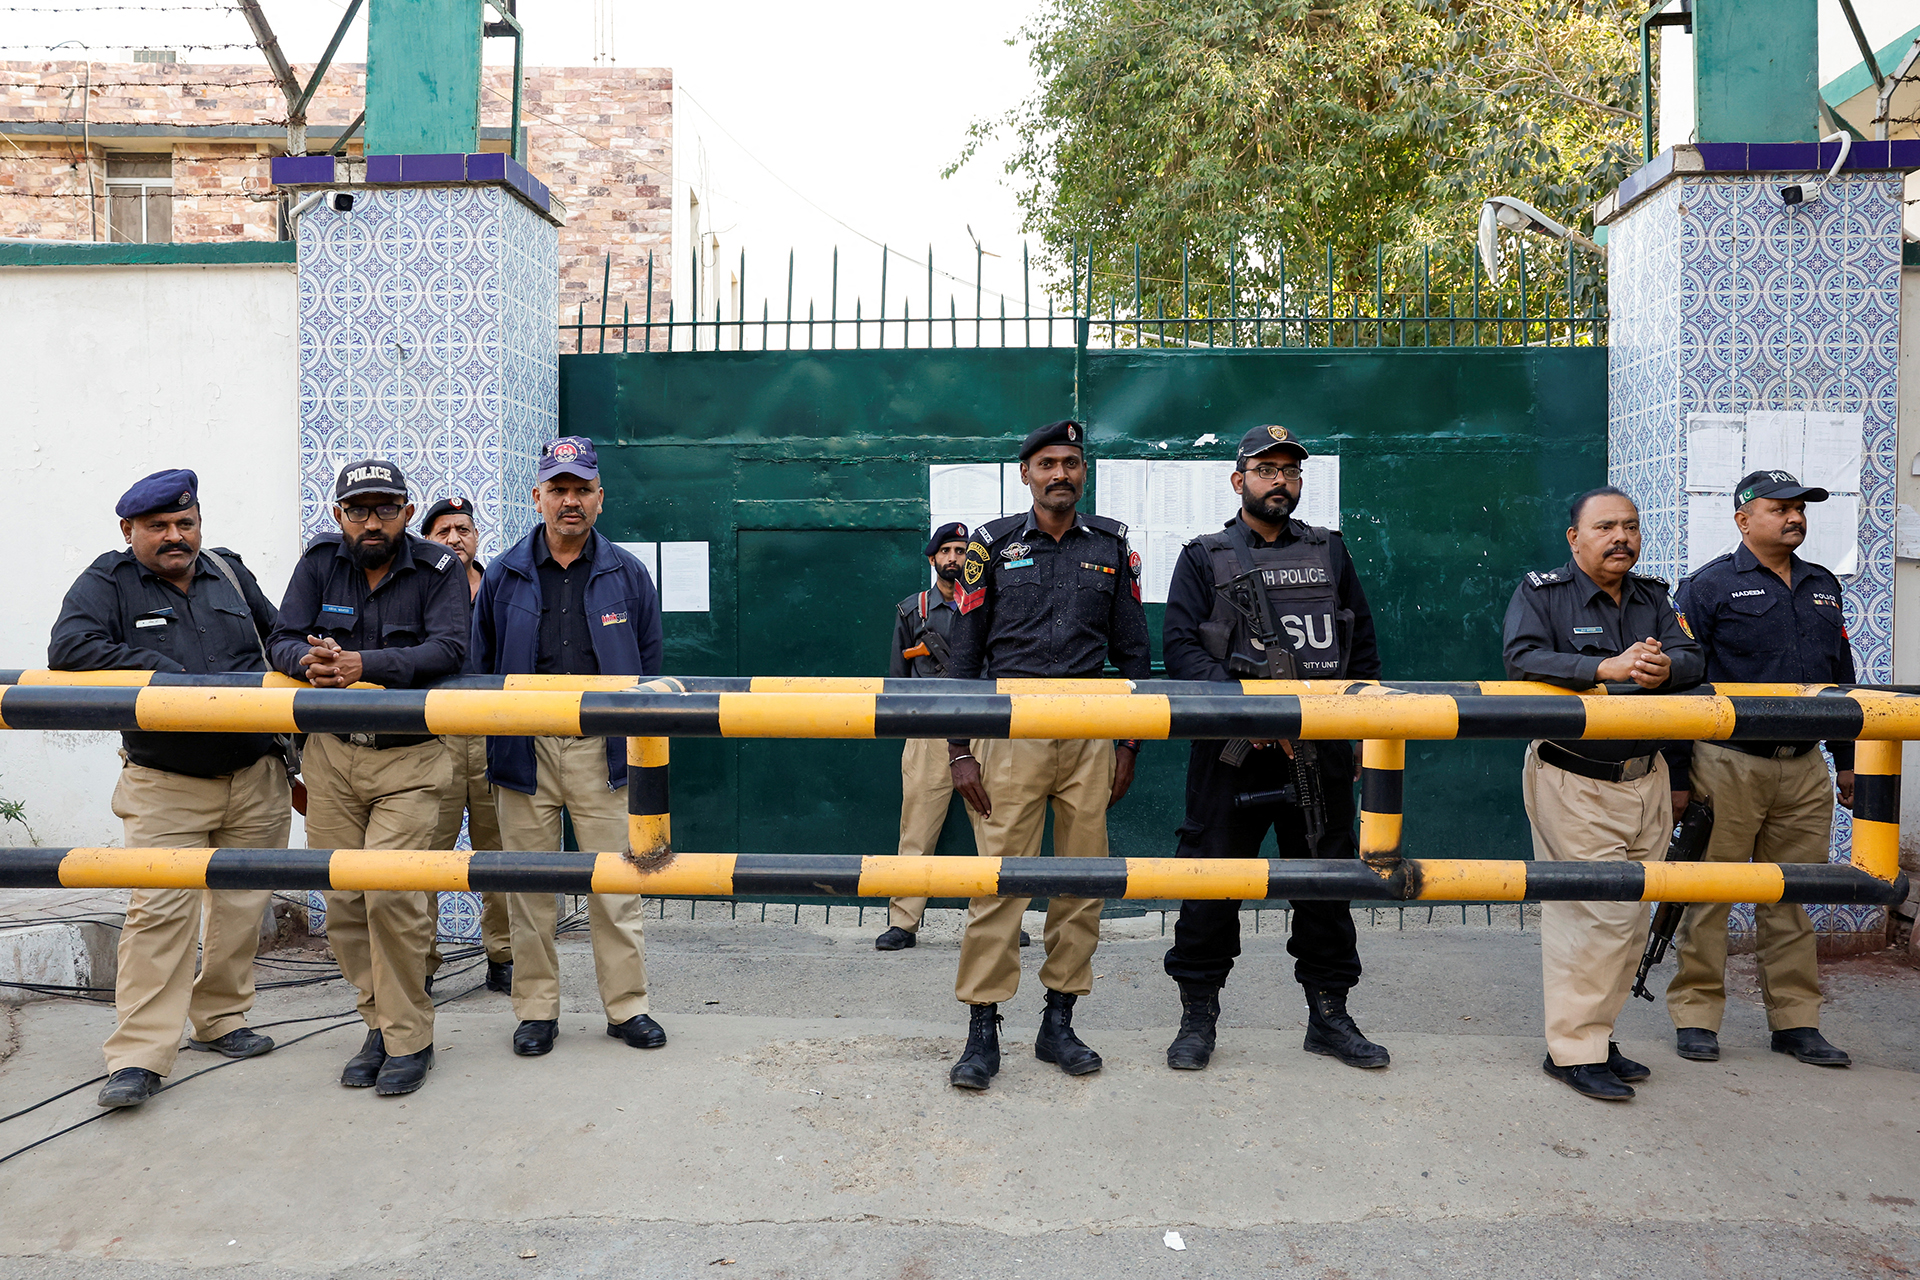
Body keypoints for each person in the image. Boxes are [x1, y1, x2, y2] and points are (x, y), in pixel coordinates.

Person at [49, 470, 288, 1109]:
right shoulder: (108, 581)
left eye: (186, 523)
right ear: (129, 530)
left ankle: (221, 1019)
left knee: (241, 909)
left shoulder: (229, 572)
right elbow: (69, 647)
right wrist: (160, 671)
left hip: (255, 774)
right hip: (166, 783)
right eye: (158, 527)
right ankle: (139, 1056)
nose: (175, 536)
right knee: (159, 913)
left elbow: (278, 638)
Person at [1158, 425, 1389, 1073]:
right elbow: (1180, 650)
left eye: (1290, 470)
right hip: (1230, 752)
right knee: (1210, 884)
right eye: (1266, 469)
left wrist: (1357, 734)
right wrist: (1246, 710)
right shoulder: (1204, 556)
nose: (1279, 480)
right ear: (1240, 481)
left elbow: (1361, 650)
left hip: (1320, 747)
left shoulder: (1329, 552)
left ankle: (1329, 1017)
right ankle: (1197, 1018)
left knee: (1325, 887)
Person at [942, 419, 1151, 1090]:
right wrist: (959, 750)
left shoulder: (1111, 545)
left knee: (1083, 885)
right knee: (998, 883)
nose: (1061, 473)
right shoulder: (991, 545)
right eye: (1047, 463)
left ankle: (1059, 1023)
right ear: (1026, 474)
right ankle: (982, 1030)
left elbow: (1134, 652)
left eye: (1071, 462)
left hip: (1091, 733)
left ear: (1082, 472)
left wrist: (1128, 742)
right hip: (1011, 732)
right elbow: (964, 654)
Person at [270, 458, 468, 1097]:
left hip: (410, 759)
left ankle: (410, 1038)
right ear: (339, 515)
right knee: (345, 901)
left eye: (385, 509)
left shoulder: (438, 569)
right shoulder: (318, 563)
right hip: (331, 758)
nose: (371, 521)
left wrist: (365, 665)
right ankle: (378, 1024)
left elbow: (450, 649)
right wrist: (309, 661)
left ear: (407, 513)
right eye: (358, 510)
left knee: (391, 896)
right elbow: (280, 638)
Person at [1502, 485, 1703, 1102]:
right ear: (1575, 538)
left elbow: (1693, 655)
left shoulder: (1654, 598)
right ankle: (1574, 1051)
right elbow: (1521, 658)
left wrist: (1668, 668)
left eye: (1631, 527)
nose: (1621, 538)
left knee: (1632, 915)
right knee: (1593, 914)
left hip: (1647, 776)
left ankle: (1596, 1034)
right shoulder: (1543, 594)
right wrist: (1601, 668)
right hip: (1575, 777)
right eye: (1606, 527)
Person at [469, 436, 667, 1059]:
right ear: (538, 497)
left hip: (604, 752)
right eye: (559, 489)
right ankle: (536, 1011)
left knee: (618, 884)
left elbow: (650, 665)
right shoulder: (503, 573)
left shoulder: (627, 574)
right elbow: (481, 665)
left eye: (582, 489)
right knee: (530, 890)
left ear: (601, 499)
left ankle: (627, 1007)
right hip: (522, 751)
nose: (570, 501)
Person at [1662, 471, 1856, 1068]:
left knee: (1793, 897)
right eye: (1780, 509)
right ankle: (1697, 1017)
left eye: (1800, 509)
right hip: (1728, 764)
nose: (1795, 518)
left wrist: (1848, 761)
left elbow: (1842, 678)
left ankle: (1796, 1023)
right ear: (1744, 520)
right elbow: (1680, 686)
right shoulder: (1707, 587)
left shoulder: (1822, 585)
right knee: (1710, 895)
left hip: (1803, 767)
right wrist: (1677, 776)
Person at [873, 522, 998, 952]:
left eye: (962, 550)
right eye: (946, 551)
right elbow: (897, 679)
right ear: (932, 559)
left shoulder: (987, 606)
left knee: (993, 828)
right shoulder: (913, 610)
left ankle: (998, 919)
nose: (954, 558)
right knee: (917, 830)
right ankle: (903, 922)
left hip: (981, 728)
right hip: (928, 733)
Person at [419, 495, 513, 994]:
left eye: (463, 529)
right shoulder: (419, 586)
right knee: (428, 852)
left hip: (495, 732)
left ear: (477, 536)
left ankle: (504, 955)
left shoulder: (499, 584)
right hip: (437, 735)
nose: (455, 538)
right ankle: (421, 961)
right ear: (426, 539)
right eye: (443, 532)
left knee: (499, 851)